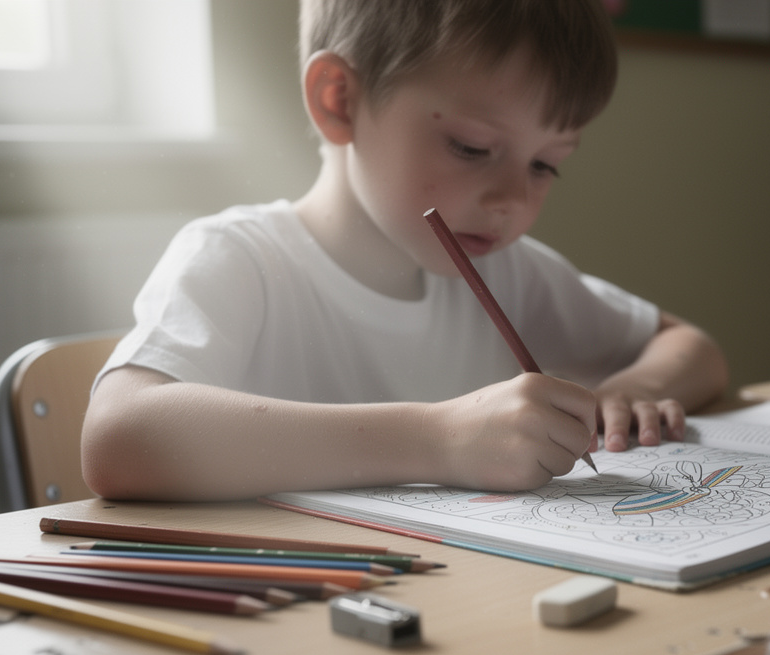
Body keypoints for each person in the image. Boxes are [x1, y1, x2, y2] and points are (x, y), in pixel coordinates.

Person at [82, 0, 729, 501]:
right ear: (340, 100)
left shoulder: (506, 271)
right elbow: (118, 437)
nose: (511, 201)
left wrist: (632, 389)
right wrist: (439, 441)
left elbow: (693, 350)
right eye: (473, 148)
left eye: (545, 166)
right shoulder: (241, 260)